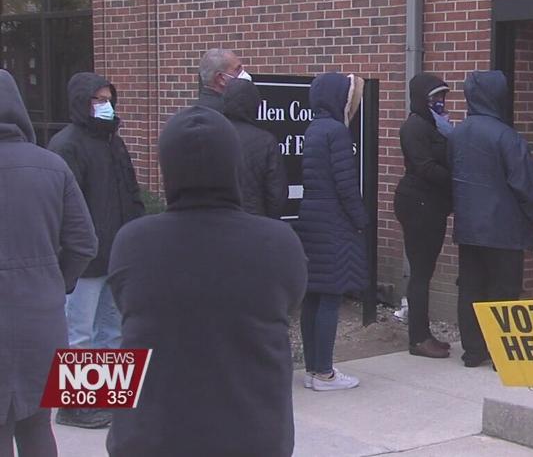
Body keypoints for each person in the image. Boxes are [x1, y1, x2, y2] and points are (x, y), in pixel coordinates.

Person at [105, 106, 307, 457]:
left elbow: (127, 309)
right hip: (252, 434)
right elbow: (289, 303)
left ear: (166, 168)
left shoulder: (133, 241)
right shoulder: (278, 241)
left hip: (150, 436)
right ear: (234, 165)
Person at [0, 70, 98, 457]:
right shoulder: (52, 166)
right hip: (40, 314)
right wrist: (56, 283)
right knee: (38, 423)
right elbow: (83, 243)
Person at [48, 72, 144, 429]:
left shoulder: (112, 142)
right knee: (79, 334)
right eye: (97, 100)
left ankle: (107, 398)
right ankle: (75, 405)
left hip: (117, 254)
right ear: (81, 102)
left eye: (108, 99)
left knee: (113, 330)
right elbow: (64, 210)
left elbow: (130, 192)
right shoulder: (67, 146)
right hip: (84, 259)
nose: (105, 106)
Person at [448, 70, 533, 368]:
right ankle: (503, 352)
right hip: (504, 228)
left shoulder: (457, 133)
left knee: (471, 287)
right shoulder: (507, 137)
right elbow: (524, 184)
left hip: (468, 225)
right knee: (504, 290)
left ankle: (473, 351)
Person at [297, 72, 368, 390]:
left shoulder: (314, 128)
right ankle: (325, 372)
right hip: (333, 222)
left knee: (313, 294)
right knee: (331, 295)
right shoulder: (337, 132)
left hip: (311, 218)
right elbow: (345, 184)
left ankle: (313, 368)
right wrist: (360, 218)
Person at [395, 73, 453, 359]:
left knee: (424, 271)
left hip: (431, 203)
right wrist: (457, 179)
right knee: (420, 273)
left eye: (442, 96)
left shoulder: (436, 125)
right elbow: (425, 167)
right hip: (419, 203)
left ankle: (424, 333)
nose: (440, 102)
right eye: (435, 97)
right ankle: (418, 338)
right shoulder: (414, 127)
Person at [222, 78, 287, 218]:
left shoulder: (212, 135)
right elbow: (276, 196)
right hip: (255, 221)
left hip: (218, 223)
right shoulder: (266, 141)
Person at [196, 48, 250, 113]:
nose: (243, 73)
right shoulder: (230, 114)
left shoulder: (189, 114)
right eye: (237, 69)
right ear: (221, 79)